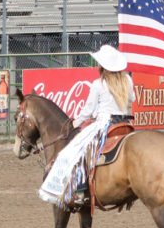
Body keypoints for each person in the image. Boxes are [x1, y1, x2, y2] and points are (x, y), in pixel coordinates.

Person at [39, 44, 134, 214]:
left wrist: (75, 123)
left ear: (102, 66)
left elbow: (88, 111)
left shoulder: (98, 84)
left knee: (78, 150)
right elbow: (132, 99)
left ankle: (80, 189)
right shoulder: (127, 80)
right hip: (125, 124)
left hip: (105, 124)